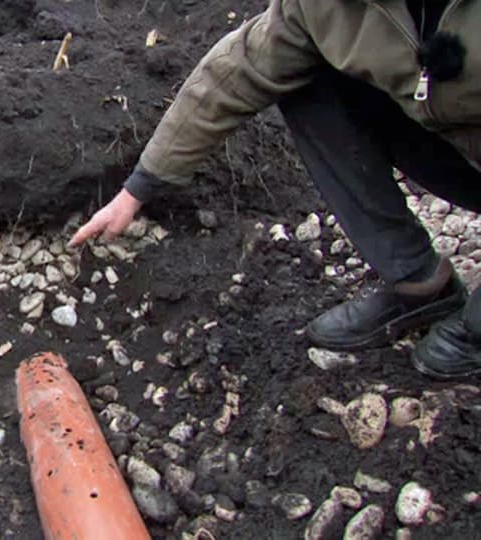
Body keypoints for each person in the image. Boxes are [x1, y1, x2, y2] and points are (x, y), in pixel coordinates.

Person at [68, 0, 481, 379]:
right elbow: (237, 73)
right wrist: (136, 190)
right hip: (446, 136)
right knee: (307, 78)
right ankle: (418, 282)